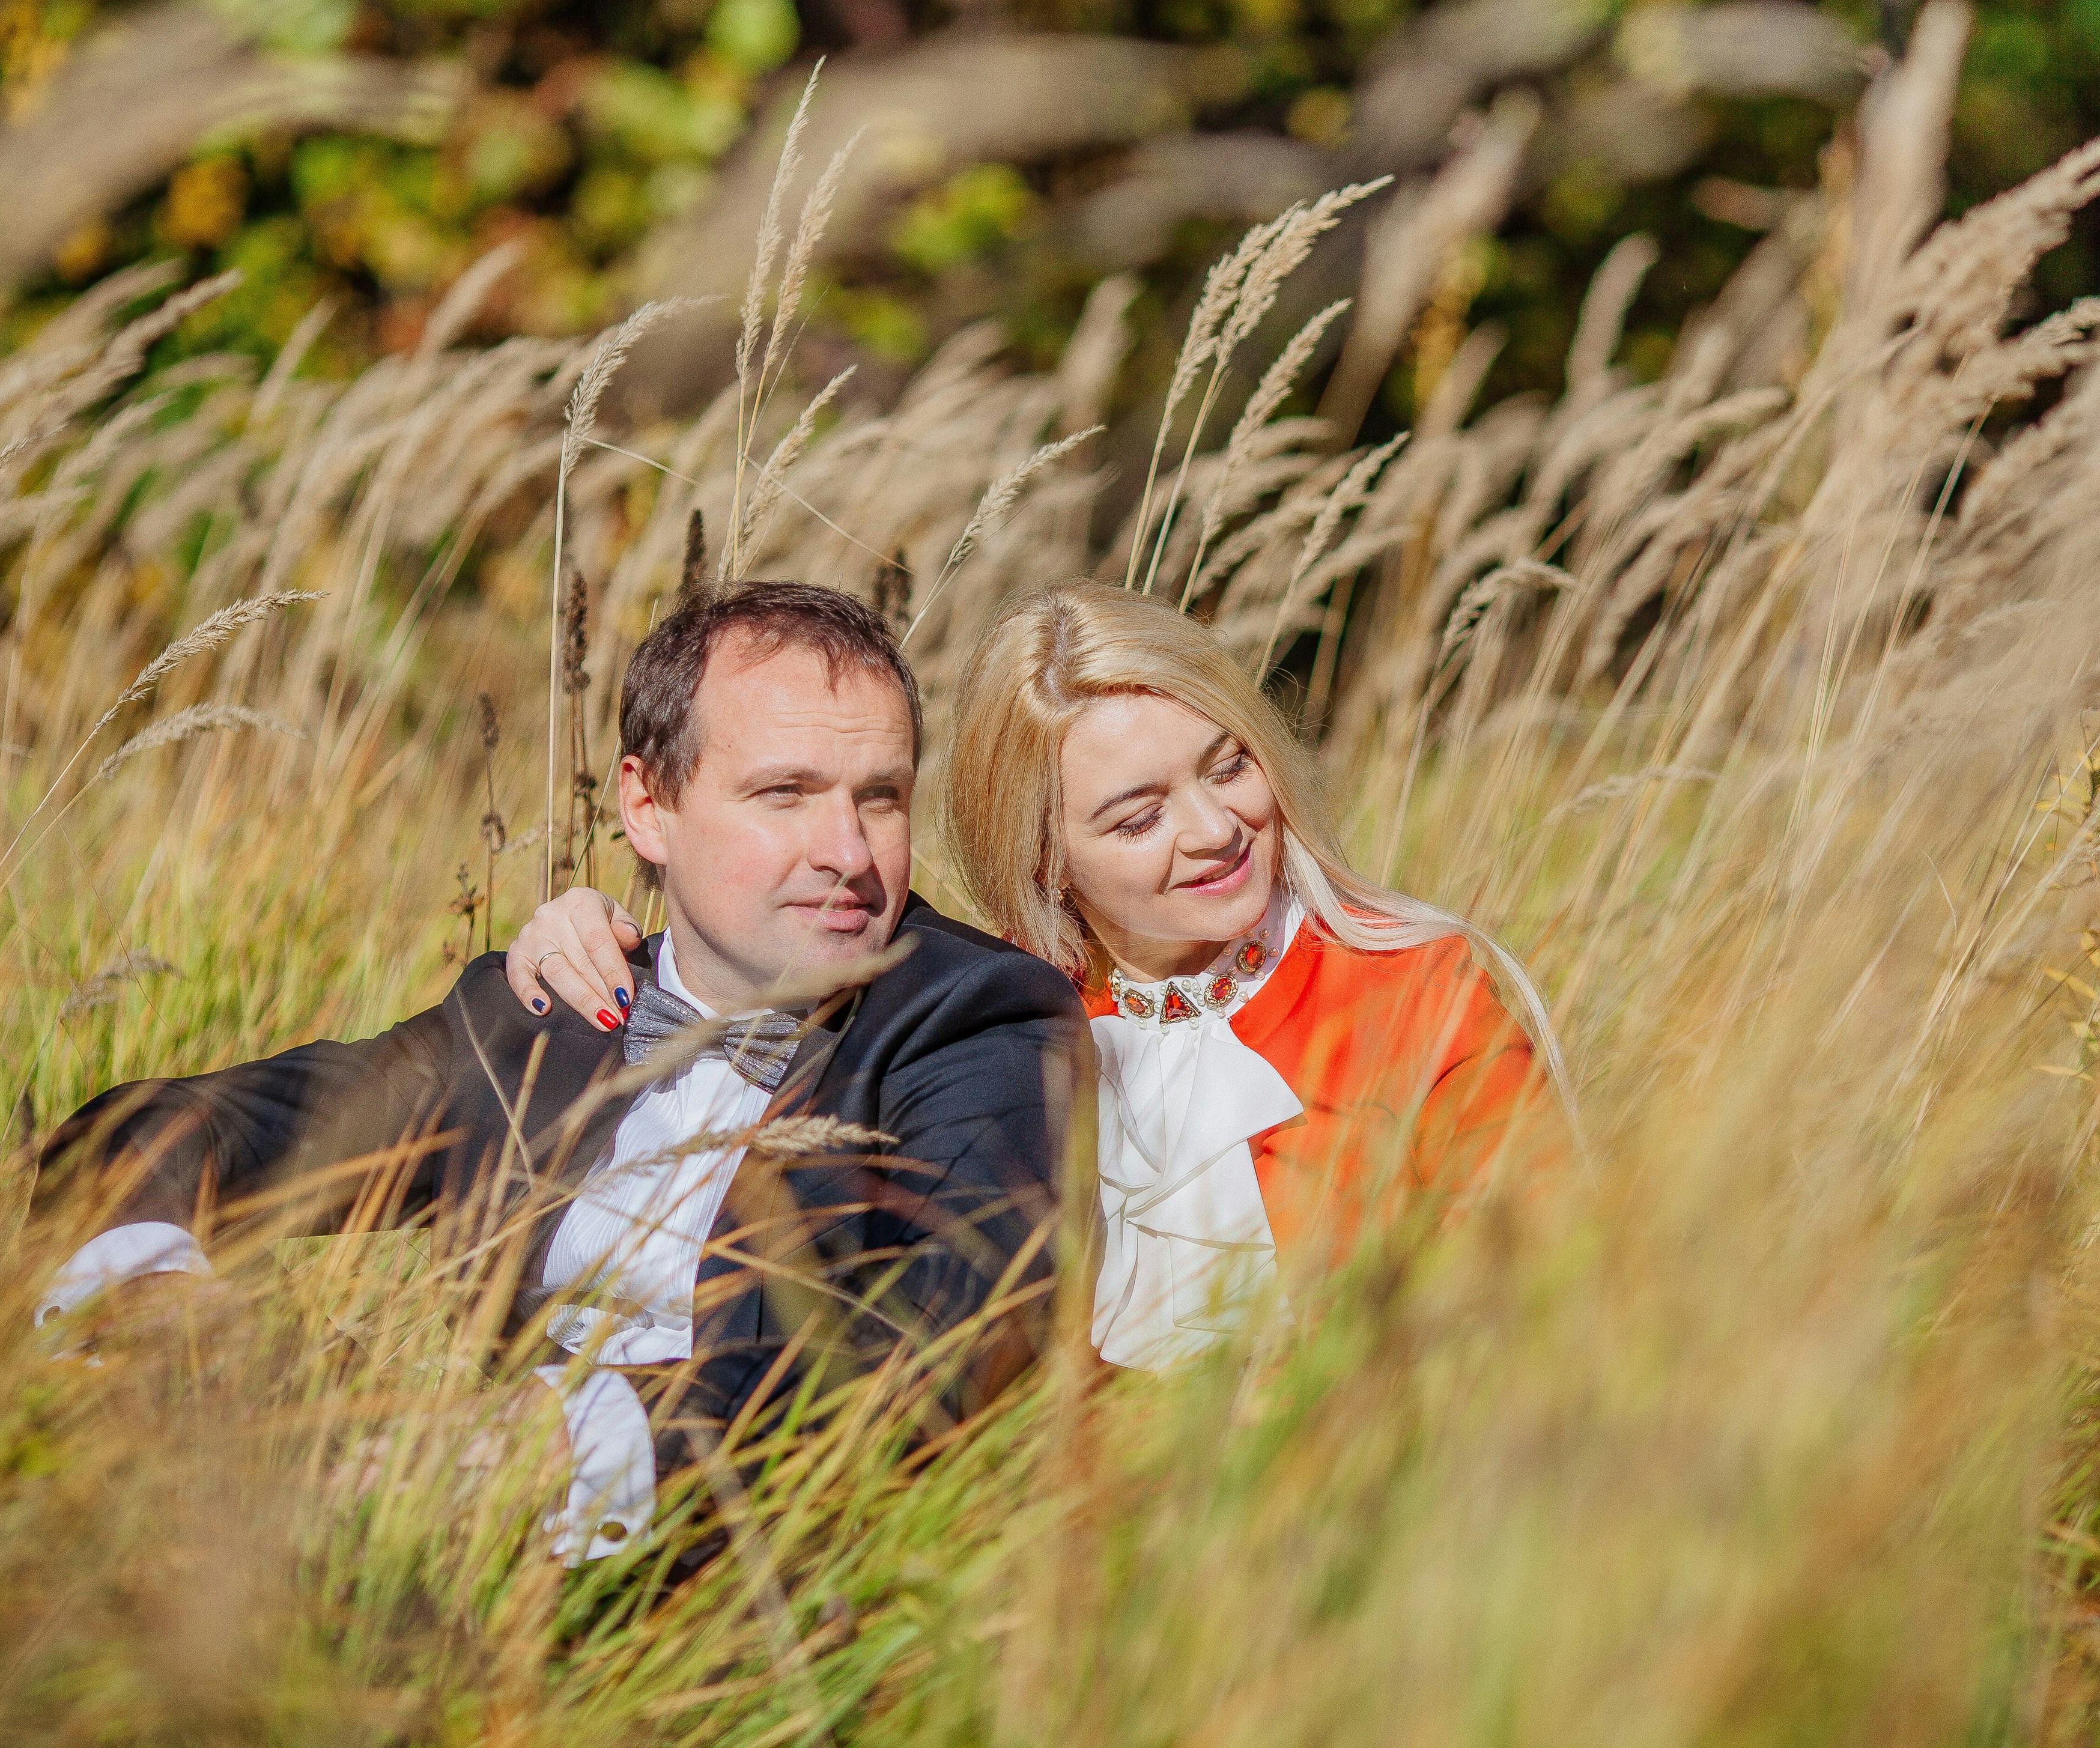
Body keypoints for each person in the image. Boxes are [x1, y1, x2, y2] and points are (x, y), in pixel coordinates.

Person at [33, 582, 1086, 1561]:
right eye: (785, 795)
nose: (848, 852)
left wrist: (551, 1440)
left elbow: (950, 1336)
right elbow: (169, 1129)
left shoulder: (979, 1019)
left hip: (761, 1595)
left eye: (881, 798)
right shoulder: (541, 1016)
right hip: (444, 1566)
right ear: (648, 808)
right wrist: (157, 1299)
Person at [508, 579, 1559, 1375]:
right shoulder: (991, 1019)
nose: (1214, 829)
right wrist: (599, 931)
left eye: (1229, 764)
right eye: (1137, 817)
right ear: (1047, 857)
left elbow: (1542, 1310)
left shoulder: (1415, 990)